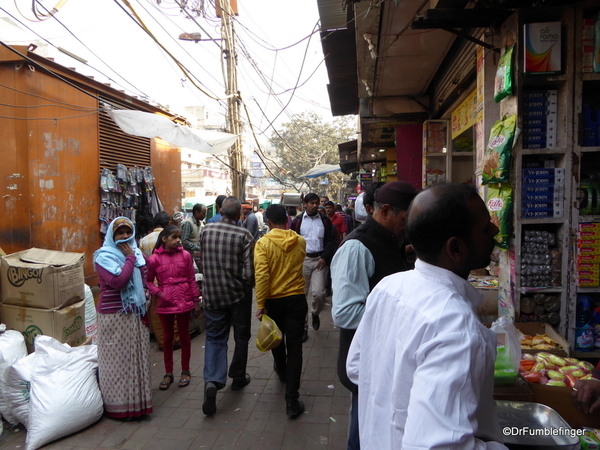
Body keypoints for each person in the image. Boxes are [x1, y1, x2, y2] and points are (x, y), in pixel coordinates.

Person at [347, 183, 507, 449]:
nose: (495, 230)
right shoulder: (456, 326)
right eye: (484, 227)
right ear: (455, 248)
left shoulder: (389, 287)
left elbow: (356, 368)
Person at [331, 181, 417, 450]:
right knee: (363, 433)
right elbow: (345, 313)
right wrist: (400, 316)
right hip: (367, 362)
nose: (408, 225)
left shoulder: (392, 240)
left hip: (386, 359)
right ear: (386, 211)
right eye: (406, 218)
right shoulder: (357, 248)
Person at [198, 197, 255, 416]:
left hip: (212, 294)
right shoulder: (245, 235)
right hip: (238, 296)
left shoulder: (206, 230)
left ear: (221, 211)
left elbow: (201, 260)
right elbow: (248, 274)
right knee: (241, 336)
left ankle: (212, 380)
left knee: (214, 338)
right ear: (239, 214)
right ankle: (238, 376)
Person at [93, 217, 152, 420]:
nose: (125, 237)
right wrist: (129, 259)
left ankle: (138, 406)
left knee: (137, 360)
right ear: (111, 235)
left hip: (136, 313)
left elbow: (146, 274)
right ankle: (118, 409)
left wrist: (147, 291)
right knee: (117, 364)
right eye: (120, 233)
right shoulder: (104, 257)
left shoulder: (137, 253)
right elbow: (118, 281)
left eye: (128, 232)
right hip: (114, 317)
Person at [254, 204, 307, 418]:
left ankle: (283, 371)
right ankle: (292, 400)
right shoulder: (300, 241)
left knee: (276, 339)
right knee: (295, 348)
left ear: (268, 222)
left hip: (274, 301)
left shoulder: (263, 244)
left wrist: (260, 304)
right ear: (287, 220)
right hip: (296, 299)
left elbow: (262, 275)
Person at [146, 225, 201, 390]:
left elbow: (191, 279)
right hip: (166, 302)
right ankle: (168, 372)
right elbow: (148, 281)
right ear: (164, 239)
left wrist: (196, 300)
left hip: (184, 300)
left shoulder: (185, 256)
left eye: (179, 237)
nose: (178, 240)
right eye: (174, 237)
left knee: (185, 338)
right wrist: (158, 293)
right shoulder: (154, 259)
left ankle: (186, 370)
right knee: (167, 338)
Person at [291, 193, 337, 342]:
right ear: (305, 204)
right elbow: (292, 242)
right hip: (302, 261)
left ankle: (315, 313)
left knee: (318, 293)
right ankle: (303, 327)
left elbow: (331, 241)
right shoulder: (297, 221)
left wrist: (325, 257)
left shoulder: (324, 221)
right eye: (312, 203)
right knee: (301, 296)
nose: (315, 205)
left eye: (317, 203)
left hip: (319, 261)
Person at [139, 211, 180, 351]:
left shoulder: (144, 240)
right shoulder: (171, 237)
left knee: (156, 315)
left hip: (153, 283)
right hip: (169, 281)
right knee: (173, 313)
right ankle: (175, 340)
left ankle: (163, 343)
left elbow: (142, 262)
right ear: (167, 223)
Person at [181, 203, 206, 267]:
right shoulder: (188, 223)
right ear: (197, 212)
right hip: (188, 256)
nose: (205, 215)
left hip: (195, 256)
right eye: (203, 213)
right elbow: (184, 241)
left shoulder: (199, 223)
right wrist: (197, 248)